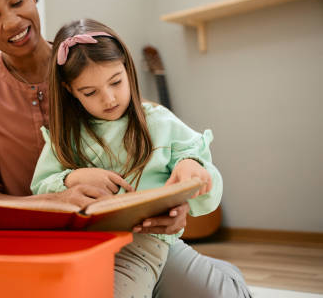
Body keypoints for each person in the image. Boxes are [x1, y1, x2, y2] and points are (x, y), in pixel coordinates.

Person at [0, 0, 251, 298]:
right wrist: (61, 198)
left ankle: (219, 275)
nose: (10, 22)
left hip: (135, 239)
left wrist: (179, 202)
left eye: (17, 1)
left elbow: (154, 143)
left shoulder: (88, 64)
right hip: (39, 246)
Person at [30, 18, 220, 297]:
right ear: (70, 91)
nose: (108, 99)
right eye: (90, 92)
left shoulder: (160, 122)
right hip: (81, 246)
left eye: (116, 82)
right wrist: (71, 178)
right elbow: (40, 190)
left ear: (128, 70)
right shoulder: (65, 137)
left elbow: (202, 175)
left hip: (144, 244)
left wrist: (193, 166)